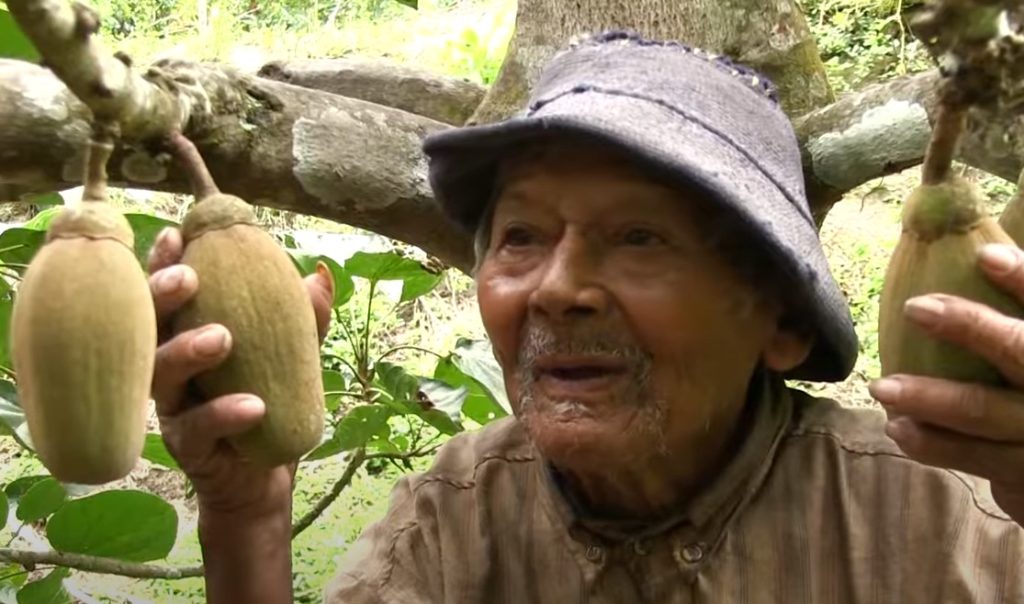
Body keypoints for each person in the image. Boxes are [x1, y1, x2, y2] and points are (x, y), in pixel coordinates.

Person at [146, 31, 1024, 603]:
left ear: (780, 323)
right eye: (521, 236)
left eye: (638, 237)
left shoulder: (939, 521)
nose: (557, 288)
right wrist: (247, 516)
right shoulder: (454, 523)